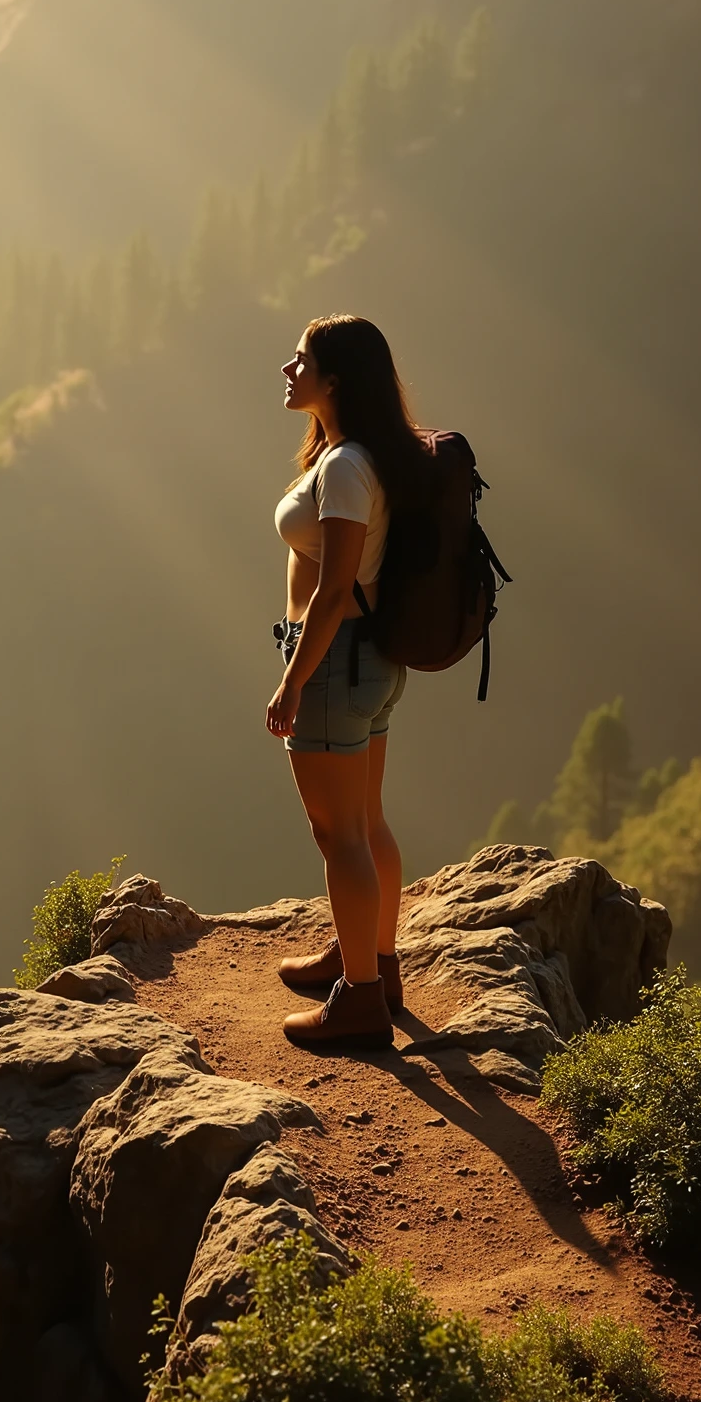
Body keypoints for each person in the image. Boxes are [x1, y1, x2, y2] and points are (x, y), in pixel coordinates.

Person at [266, 314, 431, 1051]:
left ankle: (361, 1001)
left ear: (334, 379)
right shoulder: (364, 455)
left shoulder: (343, 468)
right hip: (373, 662)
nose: (287, 369)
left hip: (335, 659)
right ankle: (372, 961)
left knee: (338, 835)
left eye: (299, 360)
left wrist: (291, 683)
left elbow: (333, 592)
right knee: (366, 823)